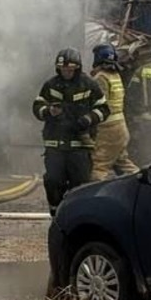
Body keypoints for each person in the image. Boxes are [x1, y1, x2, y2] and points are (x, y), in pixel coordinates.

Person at [32, 47, 109, 212]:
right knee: (53, 181)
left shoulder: (89, 84)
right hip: (55, 146)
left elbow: (103, 109)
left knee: (80, 185)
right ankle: (56, 213)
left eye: (69, 69)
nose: (66, 71)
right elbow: (37, 106)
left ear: (77, 68)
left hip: (79, 147)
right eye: (62, 68)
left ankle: (77, 215)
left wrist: (88, 119)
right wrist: (48, 111)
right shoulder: (51, 85)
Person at [89, 43, 139, 178]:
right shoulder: (115, 75)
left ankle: (94, 194)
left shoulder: (101, 77)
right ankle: (140, 181)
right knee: (123, 162)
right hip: (120, 127)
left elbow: (99, 103)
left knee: (99, 165)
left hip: (107, 129)